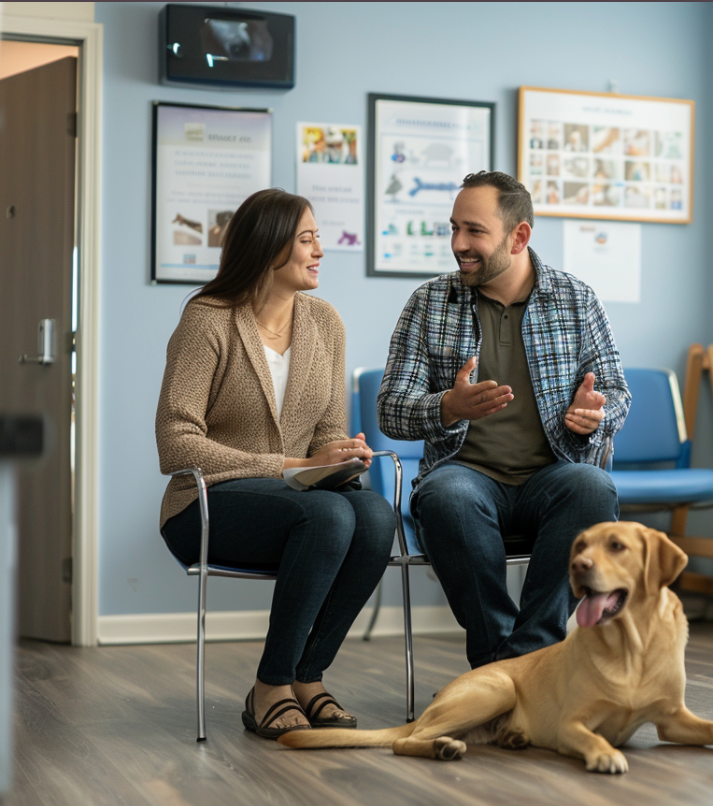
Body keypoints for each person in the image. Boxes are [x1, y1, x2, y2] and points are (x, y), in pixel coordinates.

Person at [156, 189, 396, 739]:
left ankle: (306, 678)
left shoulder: (325, 323)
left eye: (317, 239)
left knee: (377, 516)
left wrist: (340, 455)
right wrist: (290, 464)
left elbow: (328, 431)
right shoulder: (208, 320)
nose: (319, 251)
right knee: (331, 518)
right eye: (307, 239)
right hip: (208, 505)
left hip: (299, 501)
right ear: (268, 249)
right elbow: (175, 441)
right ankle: (270, 685)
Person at [377, 170, 630, 669]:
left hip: (551, 476)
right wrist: (447, 408)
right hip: (464, 477)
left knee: (593, 488)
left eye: (474, 230)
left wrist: (593, 418)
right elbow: (390, 408)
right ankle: (507, 666)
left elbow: (617, 394)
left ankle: (523, 661)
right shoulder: (428, 303)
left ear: (519, 236)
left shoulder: (576, 300)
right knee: (446, 496)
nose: (458, 244)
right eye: (454, 229)